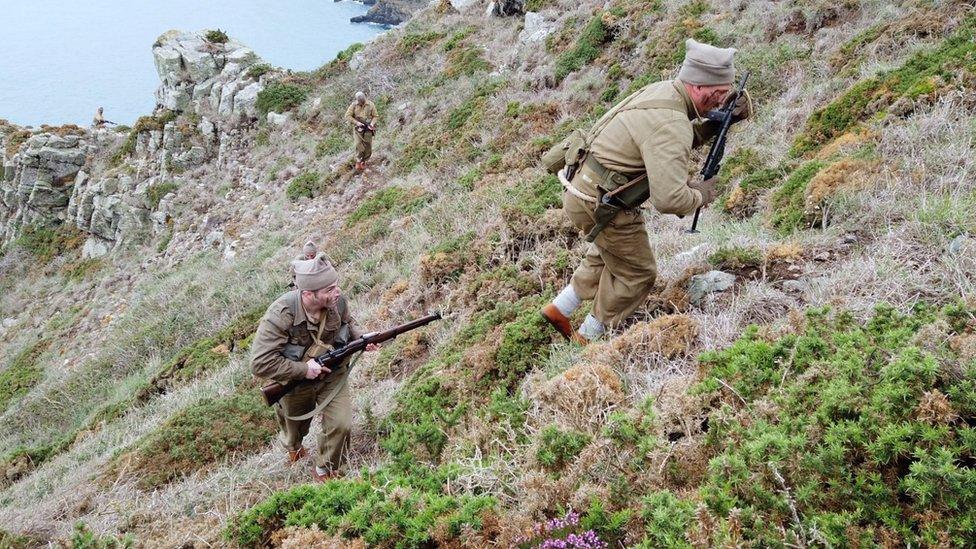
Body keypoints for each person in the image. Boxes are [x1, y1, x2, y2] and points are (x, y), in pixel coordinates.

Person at [541, 39, 752, 344]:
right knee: (637, 273)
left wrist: (713, 126)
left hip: (584, 190)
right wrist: (703, 193)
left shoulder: (664, 92)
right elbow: (670, 199)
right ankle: (588, 339)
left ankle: (559, 309)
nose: (720, 101)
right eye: (717, 93)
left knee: (608, 252)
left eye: (725, 94)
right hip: (602, 203)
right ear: (696, 86)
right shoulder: (672, 123)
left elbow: (661, 143)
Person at [251, 255, 378, 480]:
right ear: (308, 294)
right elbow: (260, 363)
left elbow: (347, 322)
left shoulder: (336, 301)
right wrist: (303, 370)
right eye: (329, 289)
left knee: (341, 424)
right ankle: (294, 448)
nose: (337, 292)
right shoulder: (280, 314)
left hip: (332, 373)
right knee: (295, 430)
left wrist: (362, 339)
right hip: (295, 382)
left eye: (336, 286)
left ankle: (326, 470)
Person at [344, 91, 378, 172]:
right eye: (359, 101)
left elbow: (375, 116)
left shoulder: (371, 105)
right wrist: (357, 123)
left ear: (364, 98)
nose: (361, 102)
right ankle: (358, 160)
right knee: (358, 144)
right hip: (358, 129)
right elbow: (347, 116)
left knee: (368, 146)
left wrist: (372, 124)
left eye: (362, 100)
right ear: (357, 100)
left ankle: (364, 161)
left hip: (368, 129)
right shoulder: (353, 105)